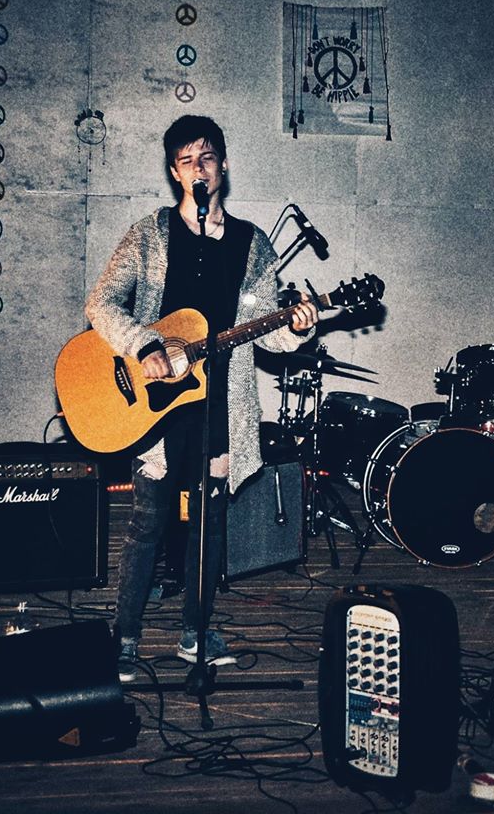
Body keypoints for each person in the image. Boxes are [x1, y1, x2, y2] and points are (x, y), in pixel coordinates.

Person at [85, 115, 318, 681]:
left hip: (220, 404)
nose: (199, 169)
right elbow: (101, 304)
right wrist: (144, 345)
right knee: (148, 522)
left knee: (210, 523)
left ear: (223, 165)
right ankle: (125, 637)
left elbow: (266, 331)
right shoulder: (149, 234)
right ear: (174, 171)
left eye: (207, 158)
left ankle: (195, 631)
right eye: (187, 160)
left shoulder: (251, 244)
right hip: (155, 406)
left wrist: (299, 327)